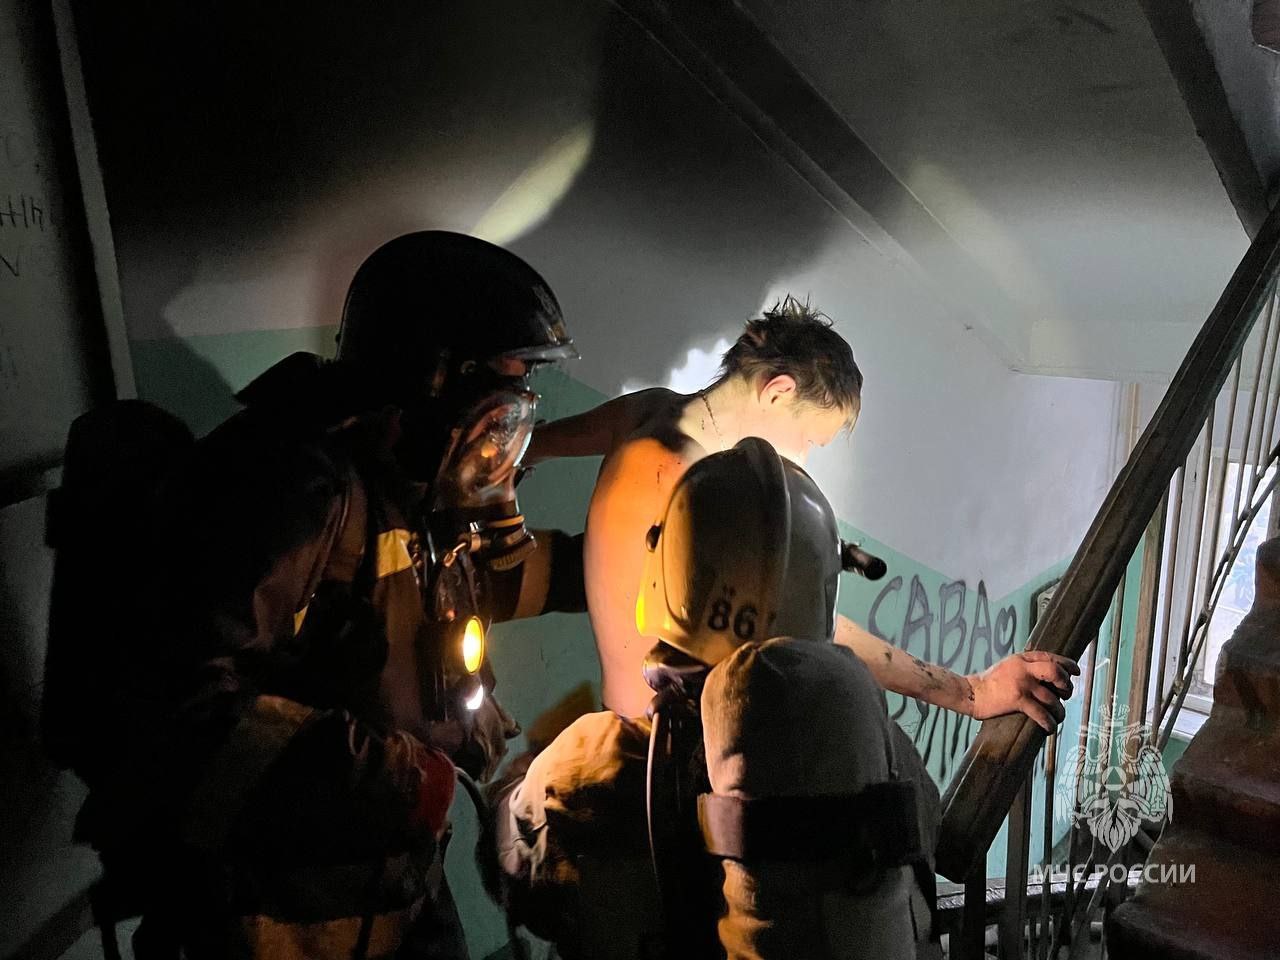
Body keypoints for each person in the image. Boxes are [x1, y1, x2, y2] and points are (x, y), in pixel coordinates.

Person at [75, 231, 587, 960]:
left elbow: (464, 595)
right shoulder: (292, 487)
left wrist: (623, 561)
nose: (507, 425)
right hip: (276, 922)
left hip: (393, 888)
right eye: (501, 390)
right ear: (431, 378)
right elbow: (186, 709)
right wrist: (403, 780)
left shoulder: (401, 484)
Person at [525, 296, 1079, 726]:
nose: (805, 459)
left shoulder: (649, 412)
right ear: (778, 391)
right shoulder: (702, 492)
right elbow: (817, 628)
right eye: (810, 439)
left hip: (616, 723)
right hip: (661, 753)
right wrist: (971, 693)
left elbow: (533, 442)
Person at [488, 438, 940, 959]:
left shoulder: (587, 764)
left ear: (669, 565)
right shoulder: (874, 746)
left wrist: (514, 780)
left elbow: (509, 857)